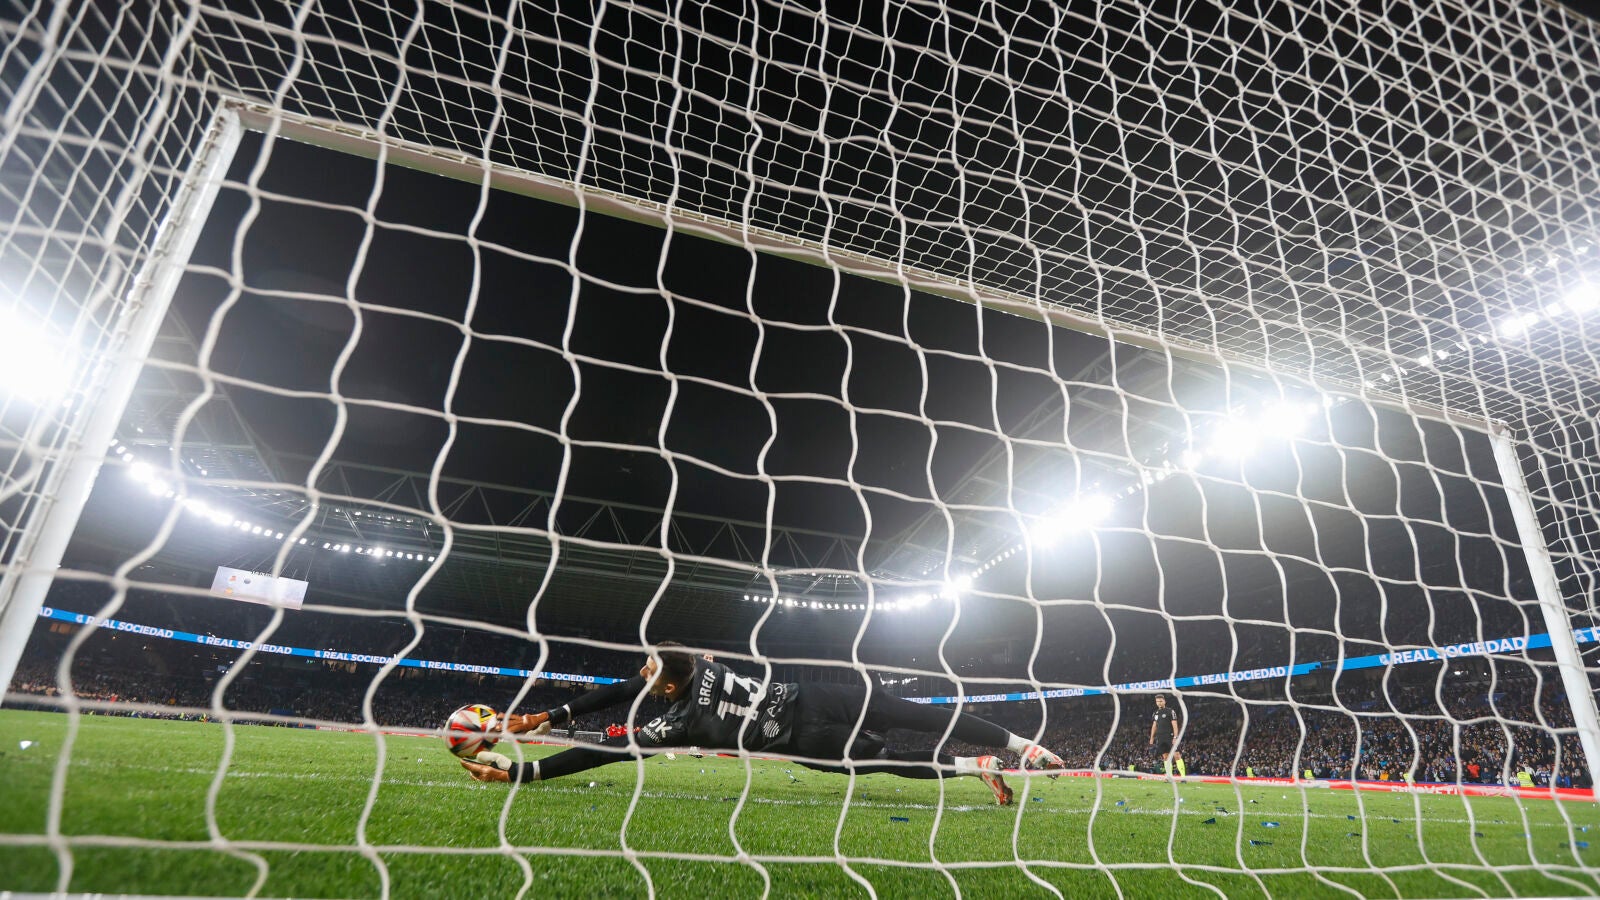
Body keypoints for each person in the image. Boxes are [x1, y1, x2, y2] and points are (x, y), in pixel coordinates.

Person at [460, 642, 1065, 805]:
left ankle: (975, 767)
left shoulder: (680, 725)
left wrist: (524, 773)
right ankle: (1021, 746)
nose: (638, 673)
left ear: (665, 687)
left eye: (647, 670)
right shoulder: (701, 665)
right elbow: (626, 688)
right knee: (912, 713)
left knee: (887, 761)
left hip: (807, 738)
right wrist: (552, 715)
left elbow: (607, 749)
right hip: (813, 695)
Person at [1148, 694, 1181, 778]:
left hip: (1170, 736)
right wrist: (1152, 737)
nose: (1159, 703)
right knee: (1166, 757)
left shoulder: (1170, 711)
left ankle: (1183, 777)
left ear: (1164, 701)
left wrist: (1175, 737)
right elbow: (1154, 726)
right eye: (1157, 701)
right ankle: (1169, 776)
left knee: (1176, 755)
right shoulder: (1155, 713)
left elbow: (1175, 725)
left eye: (1161, 701)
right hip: (1160, 737)